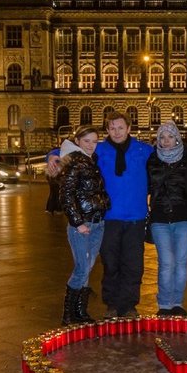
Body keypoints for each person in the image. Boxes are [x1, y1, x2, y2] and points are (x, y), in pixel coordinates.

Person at [95, 113, 153, 317]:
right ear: (107, 130)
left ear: (129, 128)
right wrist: (52, 156)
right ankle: (111, 303)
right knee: (110, 263)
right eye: (112, 128)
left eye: (120, 128)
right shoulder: (99, 149)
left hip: (135, 218)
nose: (117, 132)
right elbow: (72, 151)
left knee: (133, 264)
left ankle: (129, 304)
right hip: (109, 218)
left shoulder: (144, 150)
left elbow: (169, 155)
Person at [58, 126, 110, 326]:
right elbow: (66, 195)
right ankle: (69, 314)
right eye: (86, 141)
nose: (90, 145)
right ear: (77, 141)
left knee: (87, 267)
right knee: (81, 268)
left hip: (97, 222)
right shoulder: (75, 163)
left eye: (94, 141)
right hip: (84, 224)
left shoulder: (89, 161)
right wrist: (77, 222)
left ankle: (80, 312)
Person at [147, 121, 187, 315]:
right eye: (162, 137)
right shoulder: (152, 160)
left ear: (177, 138)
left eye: (170, 136)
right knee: (166, 262)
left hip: (184, 216)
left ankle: (178, 302)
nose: (166, 141)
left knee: (181, 263)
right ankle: (164, 304)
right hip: (159, 217)